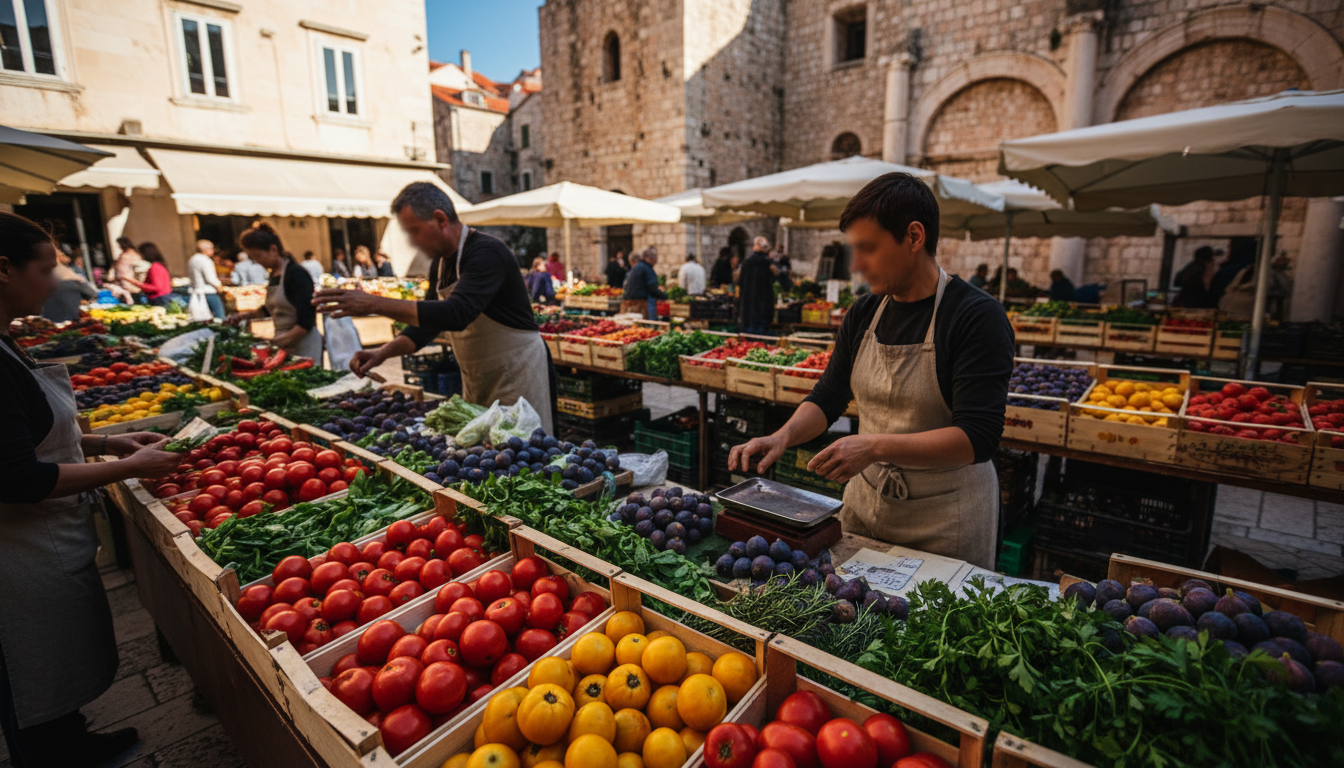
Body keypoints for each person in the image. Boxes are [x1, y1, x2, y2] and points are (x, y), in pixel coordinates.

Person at [728, 173, 1014, 569]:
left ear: (914, 237)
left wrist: (874, 446)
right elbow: (828, 397)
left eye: (868, 248)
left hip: (946, 517)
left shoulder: (976, 316)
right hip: (866, 505)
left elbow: (977, 438)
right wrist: (782, 437)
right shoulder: (865, 312)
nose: (857, 264)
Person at [0, 212, 183, 768]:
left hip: (42, 539)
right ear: (3, 270)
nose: (57, 281)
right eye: (46, 268)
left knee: (54, 660)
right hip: (19, 550)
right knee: (32, 666)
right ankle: (53, 754)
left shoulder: (6, 341)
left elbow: (33, 432)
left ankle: (71, 740)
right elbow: (19, 477)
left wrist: (106, 443)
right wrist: (130, 468)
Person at [311, 182, 554, 433]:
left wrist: (373, 302)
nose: (413, 242)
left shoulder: (487, 252)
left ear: (439, 219)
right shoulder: (439, 264)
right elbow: (428, 324)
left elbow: (456, 313)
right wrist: (381, 353)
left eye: (415, 231)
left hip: (518, 374)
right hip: (481, 379)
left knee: (527, 453)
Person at [225, 224, 324, 360]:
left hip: (303, 344)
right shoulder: (274, 276)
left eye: (258, 256)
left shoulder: (296, 275)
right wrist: (243, 316)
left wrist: (275, 342)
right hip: (284, 342)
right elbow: (271, 308)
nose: (258, 262)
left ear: (273, 249)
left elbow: (306, 322)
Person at [41, 249, 97, 322]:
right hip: (72, 320)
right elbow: (92, 293)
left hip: (48, 321)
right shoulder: (70, 274)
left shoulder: (39, 276)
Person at [737, 237, 775, 335]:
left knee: (748, 335)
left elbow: (740, 283)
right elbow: (774, 280)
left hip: (748, 303)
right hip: (763, 303)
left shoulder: (746, 263)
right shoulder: (768, 264)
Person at [621, 248, 664, 320]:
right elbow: (652, 288)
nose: (656, 261)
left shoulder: (638, 266)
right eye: (656, 258)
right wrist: (663, 296)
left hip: (630, 303)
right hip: (640, 304)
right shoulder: (646, 269)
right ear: (650, 258)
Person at [187, 240, 225, 319]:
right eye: (212, 248)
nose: (213, 251)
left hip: (196, 291)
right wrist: (219, 287)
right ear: (205, 250)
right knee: (219, 316)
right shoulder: (205, 260)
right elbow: (210, 278)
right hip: (208, 291)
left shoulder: (192, 259)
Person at [126, 242, 172, 307]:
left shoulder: (155, 267)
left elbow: (156, 287)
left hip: (159, 299)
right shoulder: (159, 265)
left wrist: (134, 282)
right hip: (163, 297)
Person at [111, 237, 142, 303]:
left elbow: (121, 271)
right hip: (131, 283)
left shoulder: (127, 256)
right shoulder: (134, 254)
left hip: (128, 283)